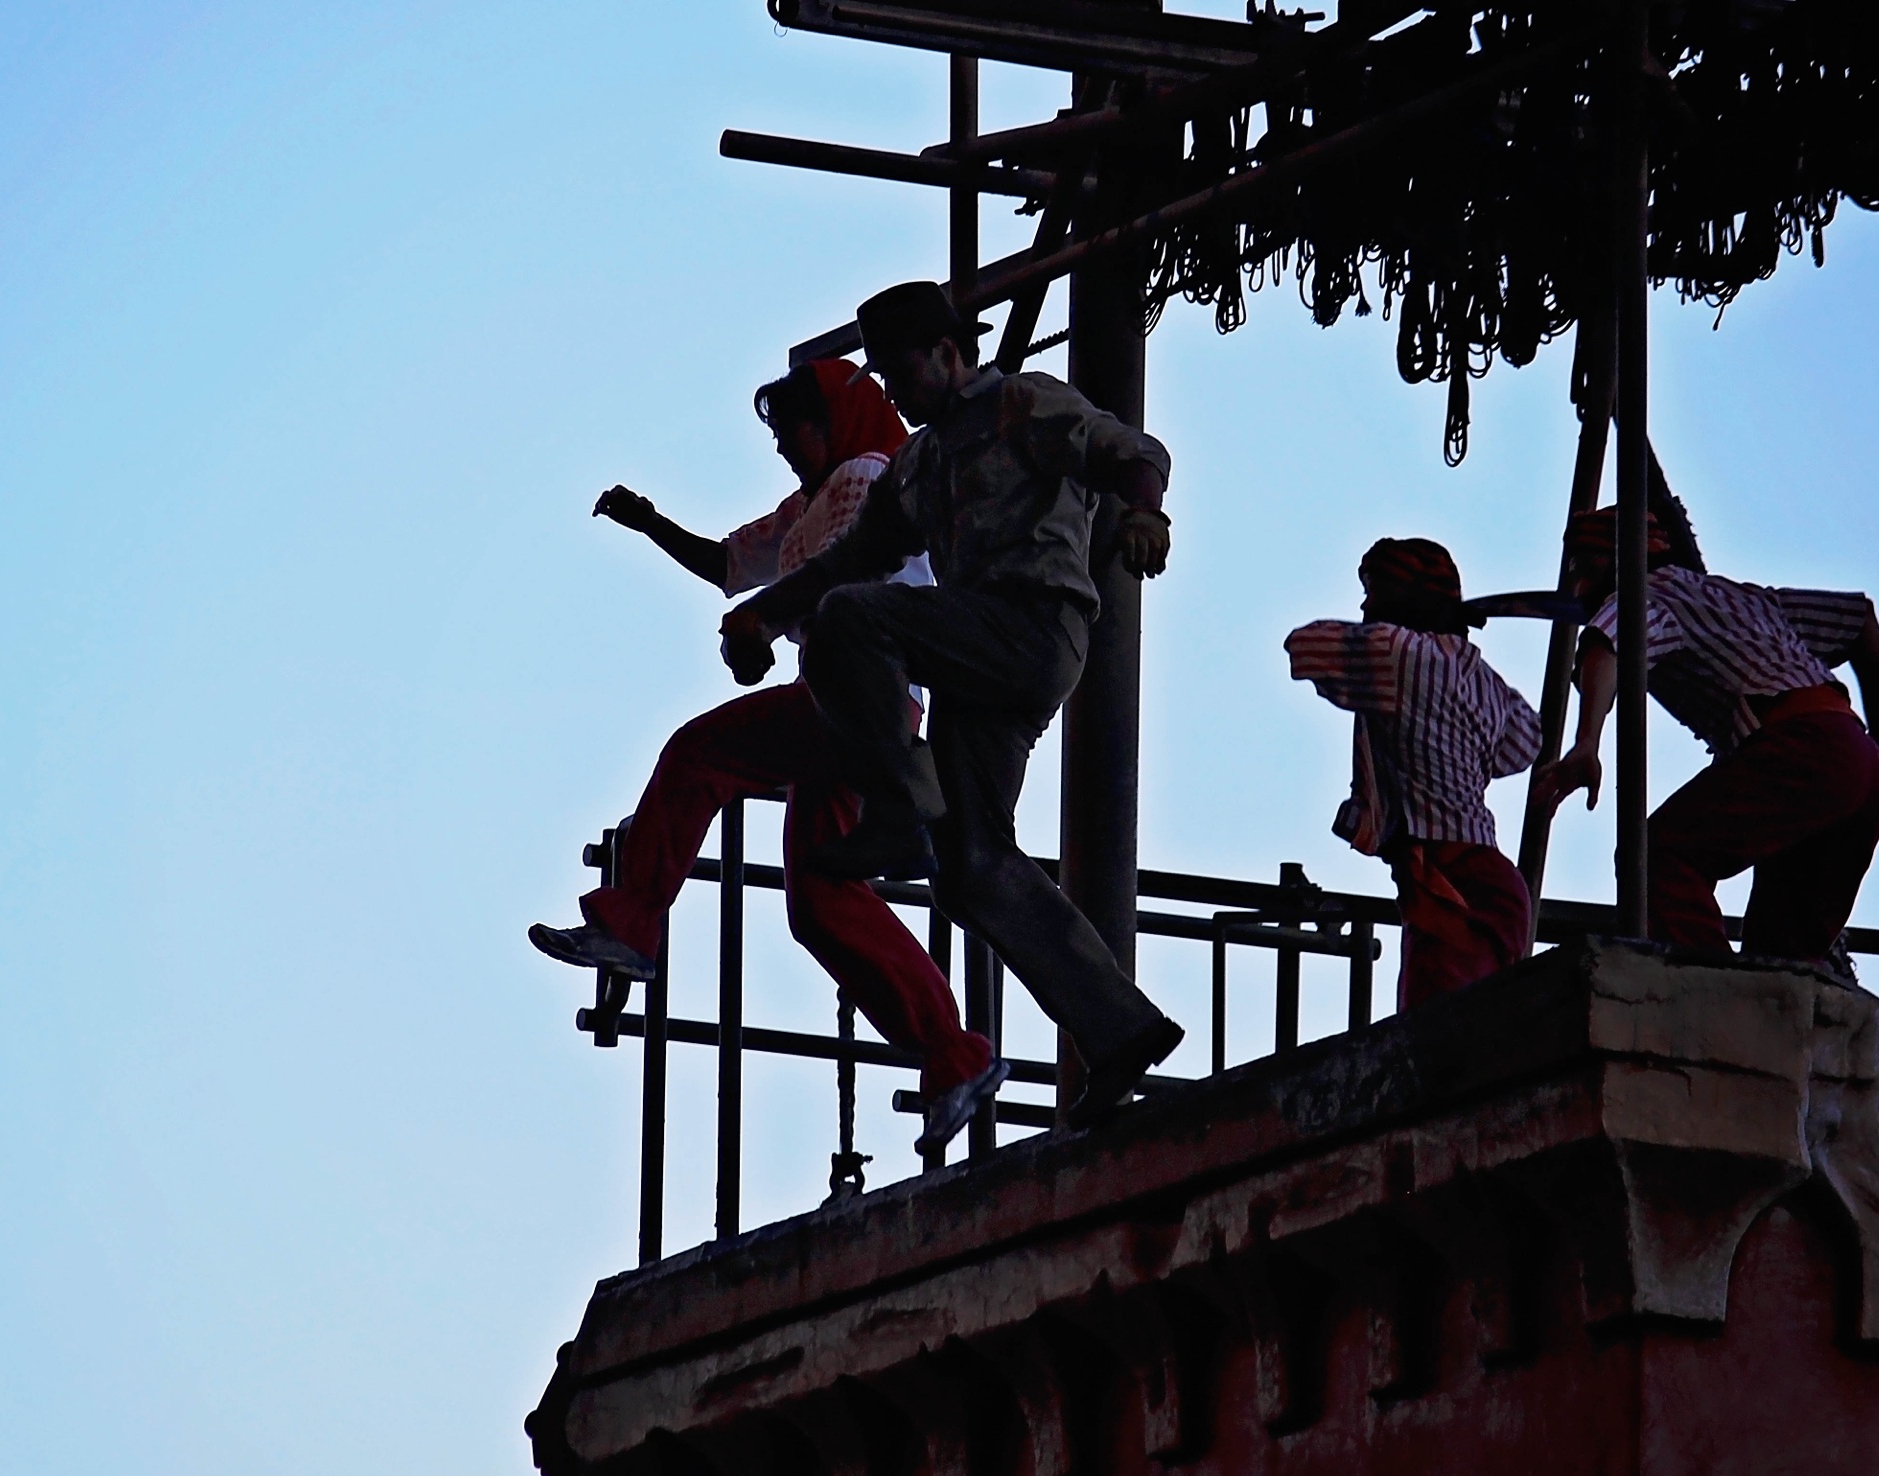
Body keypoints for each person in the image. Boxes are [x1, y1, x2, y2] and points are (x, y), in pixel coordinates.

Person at [717, 280, 1184, 1130]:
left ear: (945, 353)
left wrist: (1145, 519)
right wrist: (761, 612)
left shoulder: (1019, 404)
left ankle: (896, 803)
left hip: (1032, 623)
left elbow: (1132, 452)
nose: (894, 392)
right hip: (980, 661)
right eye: (884, 379)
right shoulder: (921, 464)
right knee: (971, 866)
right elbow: (845, 562)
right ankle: (1119, 1031)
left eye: (901, 370)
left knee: (849, 625)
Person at [529, 357, 1005, 1155]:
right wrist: (653, 527)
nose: (785, 448)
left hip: (863, 694)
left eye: (793, 431)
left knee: (702, 754)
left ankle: (635, 923)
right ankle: (952, 1056)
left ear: (834, 424)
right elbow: (727, 565)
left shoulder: (865, 475)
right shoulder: (809, 501)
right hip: (849, 703)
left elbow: (845, 576)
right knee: (821, 903)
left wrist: (763, 626)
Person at [1529, 492, 1879, 965]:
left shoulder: (1645, 593)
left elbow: (1605, 648)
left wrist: (1586, 743)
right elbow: (1859, 621)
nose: (1579, 586)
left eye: (1585, 565)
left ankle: (1717, 993)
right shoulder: (1744, 599)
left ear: (1617, 557)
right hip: (1860, 766)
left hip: (1805, 751)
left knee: (1656, 858)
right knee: (1781, 955)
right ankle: (1764, 1016)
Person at [1286, 539, 1543, 1008]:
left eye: (1374, 590)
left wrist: (1398, 633)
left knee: (1436, 1040)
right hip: (1487, 879)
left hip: (1455, 880)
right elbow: (1527, 742)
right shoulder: (1480, 676)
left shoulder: (1398, 655)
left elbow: (1305, 647)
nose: (1365, 604)